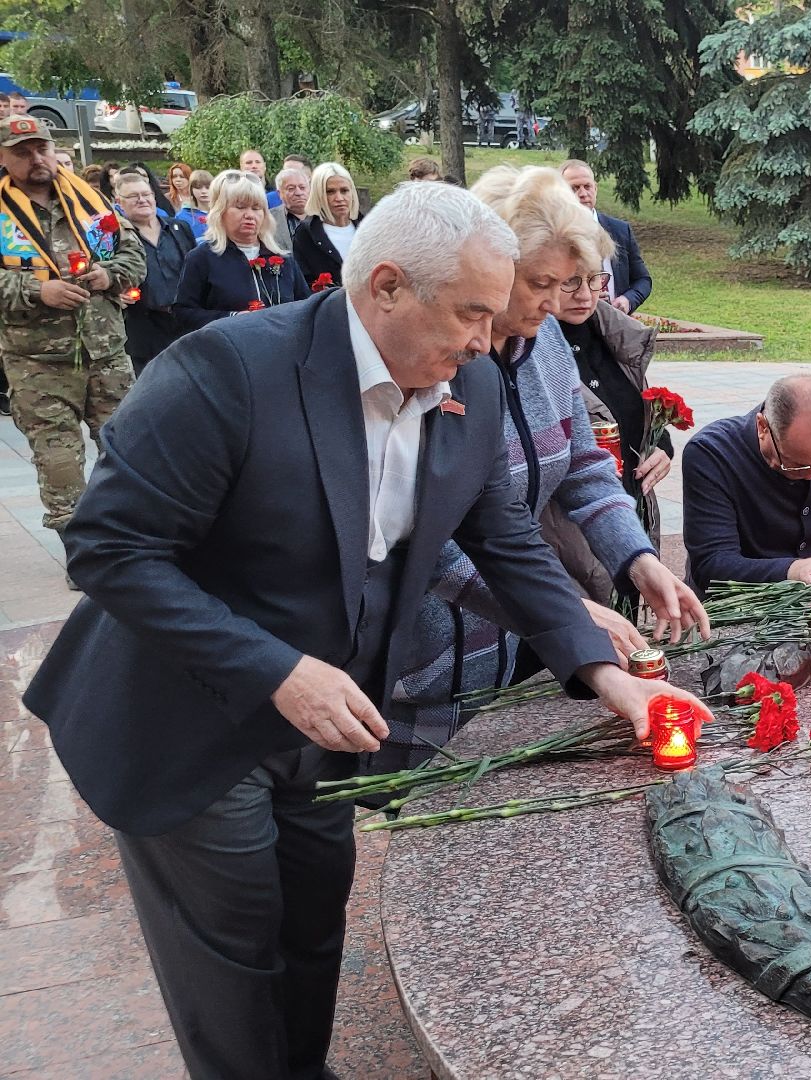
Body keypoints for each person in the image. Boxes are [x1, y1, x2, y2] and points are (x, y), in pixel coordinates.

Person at [23, 178, 709, 1080]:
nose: (486, 340)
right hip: (189, 719)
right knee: (234, 966)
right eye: (470, 313)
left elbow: (503, 540)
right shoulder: (227, 371)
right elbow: (108, 551)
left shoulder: (468, 384)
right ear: (385, 286)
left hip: (331, 722)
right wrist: (279, 670)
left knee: (314, 931)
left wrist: (608, 676)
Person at [377, 164, 708, 771]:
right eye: (540, 282)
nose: (557, 302)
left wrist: (637, 560)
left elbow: (583, 466)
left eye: (572, 281)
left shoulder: (545, 343)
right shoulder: (430, 363)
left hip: (518, 640)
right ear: (489, 263)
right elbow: (433, 535)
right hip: (425, 657)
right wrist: (565, 610)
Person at [0, 115, 141, 534]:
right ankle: (81, 549)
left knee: (129, 451)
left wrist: (108, 274)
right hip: (38, 364)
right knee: (60, 464)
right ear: (3, 158)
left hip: (107, 356)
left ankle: (135, 537)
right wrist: (37, 291)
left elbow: (134, 258)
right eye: (22, 153)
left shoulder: (91, 202)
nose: (36, 159)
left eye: (42, 148)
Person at [682, 374, 811, 594]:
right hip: (732, 606)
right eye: (796, 464)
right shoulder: (712, 453)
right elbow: (712, 565)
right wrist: (793, 569)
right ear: (762, 427)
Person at [555, 264, 674, 542]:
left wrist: (660, 445)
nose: (585, 294)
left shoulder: (616, 334)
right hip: (572, 538)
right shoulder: (528, 351)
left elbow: (628, 411)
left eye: (594, 279)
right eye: (570, 281)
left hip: (633, 526)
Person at [174, 170, 312, 330]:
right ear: (220, 211)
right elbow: (183, 313)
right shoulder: (202, 258)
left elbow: (305, 308)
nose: (250, 215)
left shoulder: (283, 259)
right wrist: (232, 318)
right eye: (240, 207)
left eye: (256, 208)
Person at [112, 170, 195, 376]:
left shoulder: (180, 228)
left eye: (146, 194)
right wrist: (116, 293)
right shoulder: (114, 238)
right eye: (133, 196)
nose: (142, 200)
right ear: (119, 202)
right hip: (144, 332)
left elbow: (197, 272)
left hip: (184, 325)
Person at [559, 159, 651, 311]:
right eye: (574, 188)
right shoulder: (556, 234)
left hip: (614, 325)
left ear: (595, 188)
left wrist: (627, 300)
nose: (583, 194)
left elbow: (642, 280)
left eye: (587, 186)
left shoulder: (620, 230)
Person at [292, 162, 358, 289]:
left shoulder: (366, 226)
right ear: (318, 195)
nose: (339, 198)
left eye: (344, 190)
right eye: (330, 192)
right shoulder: (306, 234)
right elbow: (303, 284)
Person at [269, 166, 310, 250]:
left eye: (302, 188)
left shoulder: (324, 216)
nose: (298, 193)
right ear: (279, 193)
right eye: (291, 189)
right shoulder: (269, 219)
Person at [174, 168, 212, 238]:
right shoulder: (182, 216)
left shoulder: (222, 213)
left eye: (208, 187)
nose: (203, 191)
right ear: (191, 190)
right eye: (198, 187)